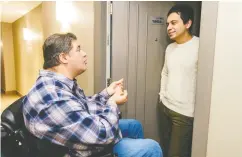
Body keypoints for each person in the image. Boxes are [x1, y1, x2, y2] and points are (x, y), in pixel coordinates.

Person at [22, 32, 162, 157]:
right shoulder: (54, 96)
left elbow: (82, 105)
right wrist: (112, 103)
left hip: (83, 137)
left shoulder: (57, 83)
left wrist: (107, 93)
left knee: (134, 125)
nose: (84, 53)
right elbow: (103, 134)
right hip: (83, 150)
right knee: (152, 147)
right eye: (78, 49)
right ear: (63, 57)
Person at [159, 4, 200, 157]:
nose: (169, 27)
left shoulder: (200, 46)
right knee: (166, 147)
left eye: (174, 23)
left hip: (185, 114)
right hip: (165, 108)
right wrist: (162, 95)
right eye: (168, 24)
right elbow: (165, 73)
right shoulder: (170, 48)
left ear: (188, 23)